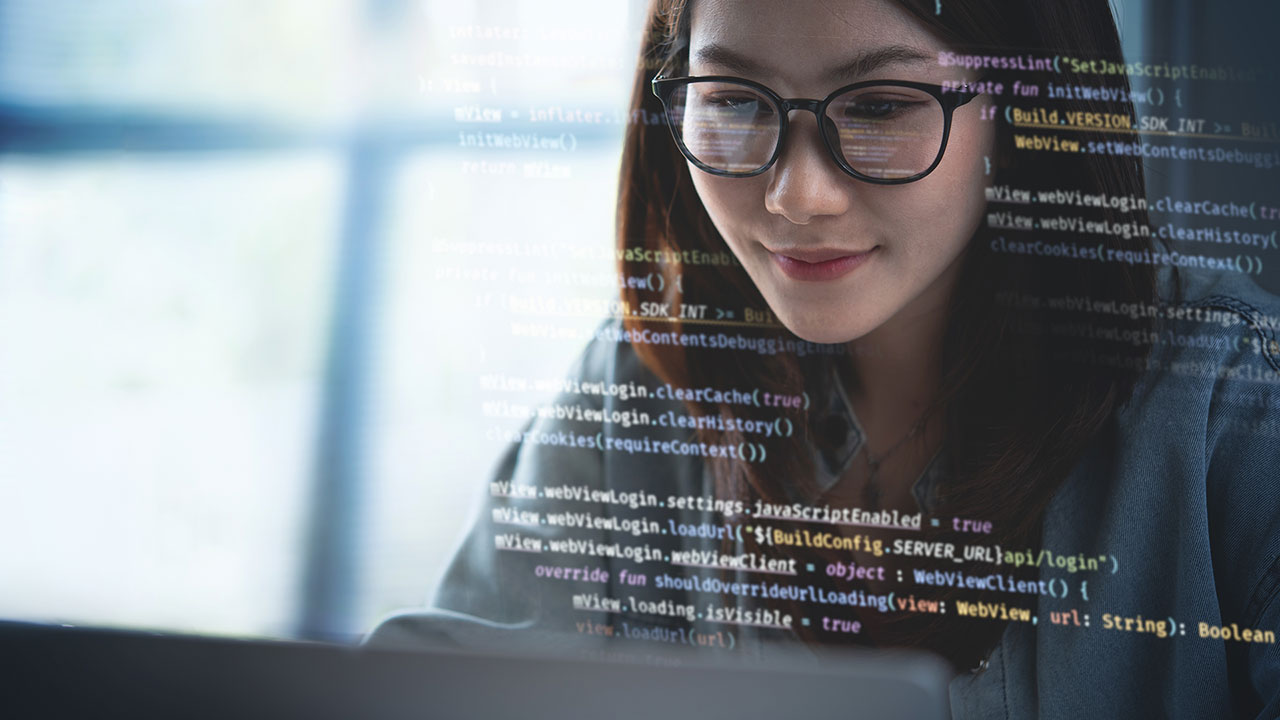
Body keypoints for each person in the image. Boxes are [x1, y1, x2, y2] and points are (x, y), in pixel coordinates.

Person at [370, 0, 1280, 716]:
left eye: (880, 106)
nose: (796, 195)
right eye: (731, 102)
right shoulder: (645, 373)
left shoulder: (1231, 400)